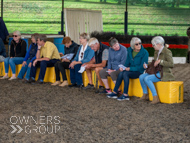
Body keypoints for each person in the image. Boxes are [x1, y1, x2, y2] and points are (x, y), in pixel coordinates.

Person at [139, 36, 175, 104]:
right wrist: (147, 65)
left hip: (164, 73)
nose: (152, 46)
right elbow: (154, 62)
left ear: (159, 44)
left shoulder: (167, 52)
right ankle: (145, 94)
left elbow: (171, 64)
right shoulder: (156, 52)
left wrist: (160, 61)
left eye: (153, 45)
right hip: (155, 71)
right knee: (141, 77)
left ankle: (155, 97)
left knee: (147, 78)